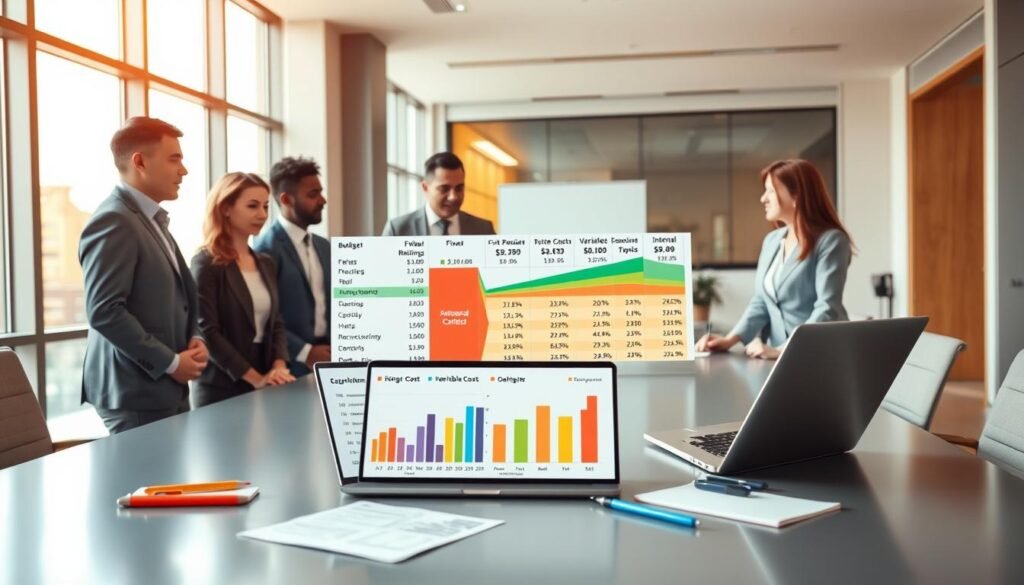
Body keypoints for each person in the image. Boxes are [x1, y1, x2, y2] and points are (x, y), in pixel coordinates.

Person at [79, 117, 208, 433]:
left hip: (164, 387)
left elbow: (176, 299)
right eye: (174, 159)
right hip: (136, 392)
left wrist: (195, 337)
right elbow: (104, 311)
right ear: (140, 162)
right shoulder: (114, 220)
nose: (184, 170)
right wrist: (171, 363)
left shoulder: (150, 219)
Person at [696, 159, 853, 360]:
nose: (763, 198)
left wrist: (783, 350)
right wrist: (730, 339)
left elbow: (827, 307)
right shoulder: (772, 241)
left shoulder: (831, 241)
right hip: (777, 357)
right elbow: (761, 302)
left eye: (770, 191)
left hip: (820, 354)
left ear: (797, 196)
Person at [190, 173, 295, 407]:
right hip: (221, 386)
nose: (262, 215)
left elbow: (276, 322)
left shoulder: (265, 262)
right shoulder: (205, 263)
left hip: (267, 379)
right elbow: (207, 331)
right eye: (252, 206)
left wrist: (279, 367)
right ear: (226, 208)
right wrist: (255, 379)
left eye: (265, 206)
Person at [252, 157, 330, 377]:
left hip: (330, 360)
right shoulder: (266, 248)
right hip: (289, 367)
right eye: (313, 194)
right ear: (286, 199)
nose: (322, 200)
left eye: (321, 192)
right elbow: (265, 315)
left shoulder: (324, 246)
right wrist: (306, 352)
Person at [381, 152, 496, 236]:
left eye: (459, 188)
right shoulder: (397, 230)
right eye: (444, 189)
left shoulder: (483, 230)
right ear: (425, 187)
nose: (453, 197)